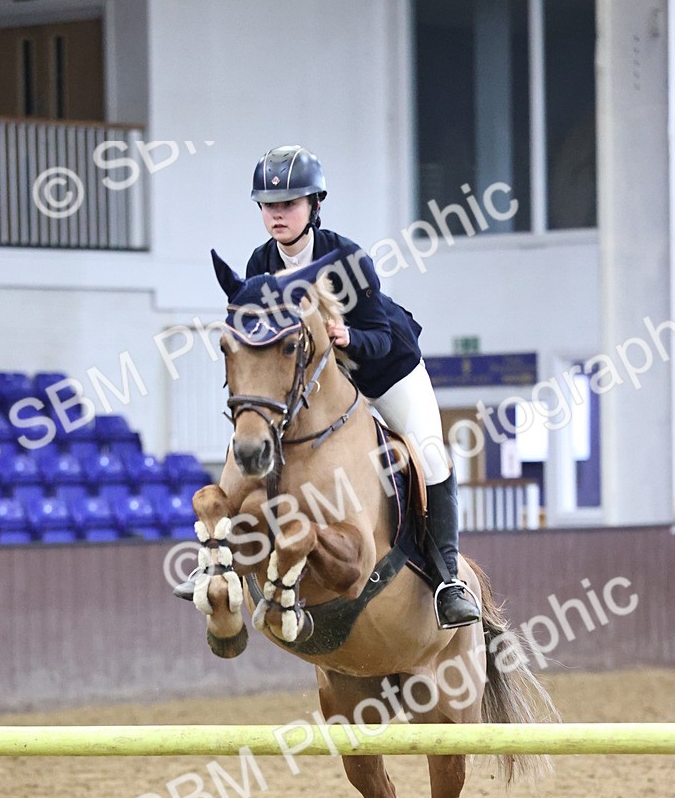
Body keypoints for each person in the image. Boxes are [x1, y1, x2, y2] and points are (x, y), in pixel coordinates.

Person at [177, 144, 480, 628]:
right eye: (269, 206)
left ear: (314, 206)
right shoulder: (260, 266)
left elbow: (381, 338)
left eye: (289, 204)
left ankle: (447, 580)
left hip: (383, 370)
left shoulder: (349, 260)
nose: (277, 214)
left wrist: (347, 336)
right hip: (315, 387)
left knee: (429, 451)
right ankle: (219, 556)